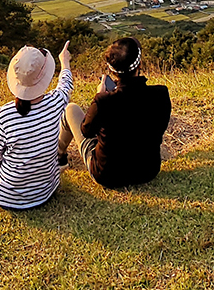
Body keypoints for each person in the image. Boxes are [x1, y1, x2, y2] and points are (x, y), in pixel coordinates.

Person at [0, 42, 74, 210]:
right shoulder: (56, 103)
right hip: (46, 192)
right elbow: (66, 85)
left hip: (7, 196)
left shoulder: (5, 115)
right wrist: (65, 61)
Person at [60, 37, 172, 189]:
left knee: (70, 109)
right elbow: (160, 127)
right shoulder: (161, 94)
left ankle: (59, 157)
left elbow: (86, 131)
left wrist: (98, 97)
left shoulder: (104, 101)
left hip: (107, 175)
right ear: (139, 65)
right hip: (148, 170)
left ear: (111, 70)